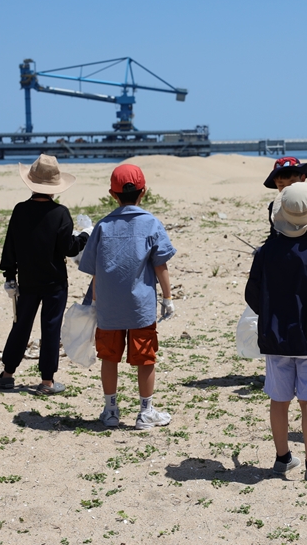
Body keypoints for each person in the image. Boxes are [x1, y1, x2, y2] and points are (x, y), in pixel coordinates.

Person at [245, 182, 307, 481]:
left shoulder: (265, 252)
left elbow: (252, 296)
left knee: (279, 399)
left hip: (275, 336)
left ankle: (283, 458)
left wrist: (271, 312)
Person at [78, 164, 176, 430]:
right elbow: (161, 264)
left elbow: (95, 270)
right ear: (143, 192)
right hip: (140, 307)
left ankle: (111, 411)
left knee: (109, 357)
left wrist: (94, 302)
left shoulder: (102, 226)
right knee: (145, 358)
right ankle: (145, 412)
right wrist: (167, 297)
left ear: (113, 194)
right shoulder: (151, 223)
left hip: (108, 307)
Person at [0, 155, 90, 395]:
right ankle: (47, 381)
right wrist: (85, 236)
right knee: (50, 328)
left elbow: (10, 245)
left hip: (27, 280)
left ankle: (7, 374)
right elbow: (69, 249)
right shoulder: (60, 213)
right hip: (54, 281)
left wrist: (9, 275)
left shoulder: (20, 210)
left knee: (21, 325)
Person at [263, 156, 307, 241]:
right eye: (281, 185)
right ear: (275, 183)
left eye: (291, 184)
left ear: (302, 178)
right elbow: (274, 232)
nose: (287, 189)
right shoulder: (274, 207)